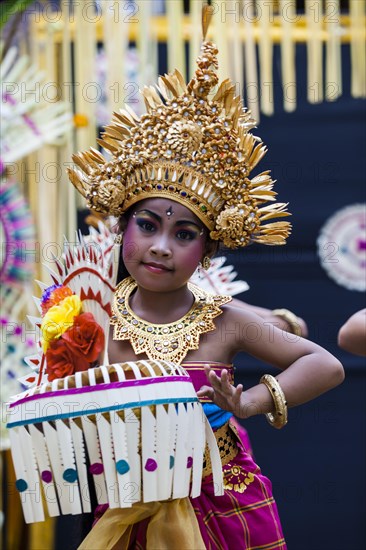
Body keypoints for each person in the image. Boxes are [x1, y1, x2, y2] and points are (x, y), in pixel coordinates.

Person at [67, 9, 344, 549]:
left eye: (185, 233)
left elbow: (325, 364)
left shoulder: (224, 321)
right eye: (147, 225)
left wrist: (250, 405)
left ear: (208, 251)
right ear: (121, 227)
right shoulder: (87, 317)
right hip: (122, 508)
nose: (161, 246)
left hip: (226, 509)